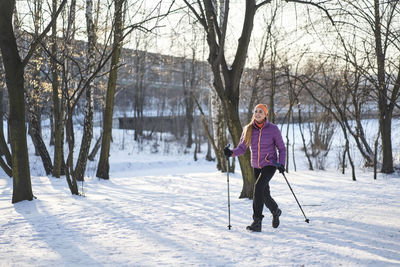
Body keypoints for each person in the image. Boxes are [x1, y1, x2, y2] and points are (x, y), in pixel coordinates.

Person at [224, 104, 286, 232]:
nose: (258, 114)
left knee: (258, 187)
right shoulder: (248, 129)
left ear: (265, 115)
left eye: (261, 112)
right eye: (256, 111)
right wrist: (231, 153)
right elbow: (242, 148)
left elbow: (282, 148)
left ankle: (257, 221)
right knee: (264, 193)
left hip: (270, 164)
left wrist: (281, 164)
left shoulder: (273, 129)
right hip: (256, 165)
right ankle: (276, 211)